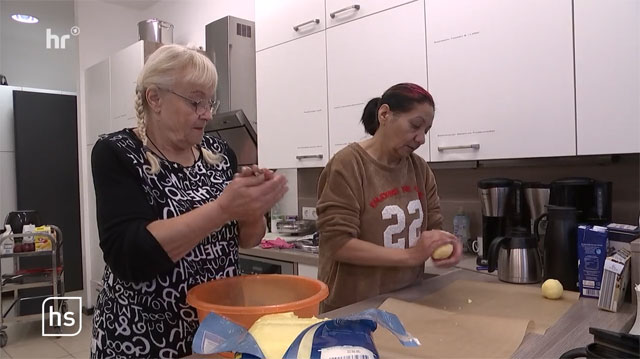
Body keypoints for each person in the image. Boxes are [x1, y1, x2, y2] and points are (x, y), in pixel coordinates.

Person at [89, 44, 287, 358]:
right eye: (196, 101)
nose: (207, 113)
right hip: (145, 337)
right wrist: (223, 208)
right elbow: (130, 256)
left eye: (210, 101)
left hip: (217, 330)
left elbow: (246, 239)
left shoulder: (220, 155)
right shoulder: (117, 152)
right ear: (154, 98)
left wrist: (252, 208)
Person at [316, 83, 462, 312]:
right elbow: (338, 244)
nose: (421, 138)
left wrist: (445, 244)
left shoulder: (420, 170)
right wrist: (410, 256)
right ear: (384, 114)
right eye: (415, 126)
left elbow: (433, 228)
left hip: (408, 301)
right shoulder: (348, 165)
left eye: (427, 130)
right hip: (352, 308)